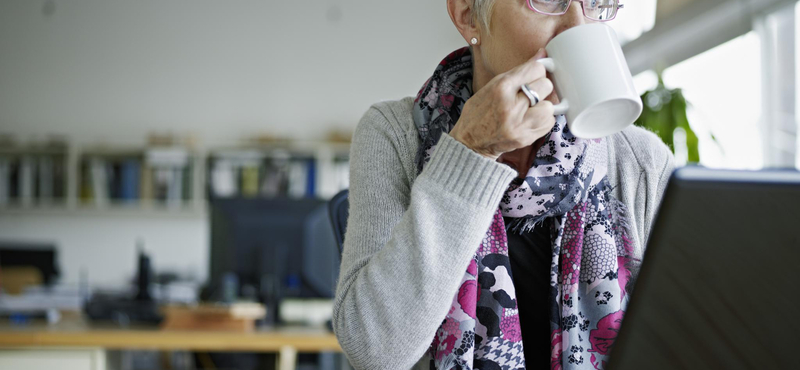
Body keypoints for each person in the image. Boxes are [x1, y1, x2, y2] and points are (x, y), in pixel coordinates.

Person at [333, 0, 674, 369]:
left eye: (596, 3)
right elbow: (375, 351)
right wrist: (471, 149)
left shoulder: (641, 162)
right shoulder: (396, 134)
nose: (578, 26)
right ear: (467, 14)